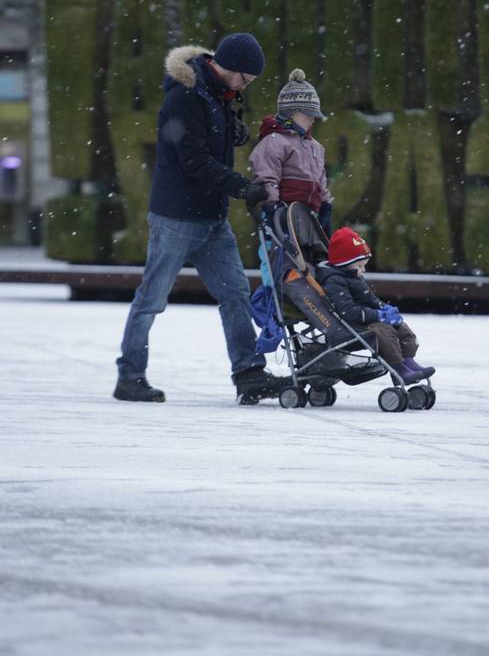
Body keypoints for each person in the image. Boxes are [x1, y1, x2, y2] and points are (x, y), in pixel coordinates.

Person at [114, 33, 291, 404]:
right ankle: (130, 376)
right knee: (152, 299)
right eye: (247, 78)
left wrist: (233, 131)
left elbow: (210, 140)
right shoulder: (186, 95)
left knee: (236, 295)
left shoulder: (218, 93)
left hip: (212, 219)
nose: (248, 85)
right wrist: (242, 187)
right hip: (175, 217)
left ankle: (249, 372)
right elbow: (193, 160)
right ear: (229, 67)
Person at [316, 227, 436, 385]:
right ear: (343, 264)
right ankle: (398, 367)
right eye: (360, 266)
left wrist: (384, 308)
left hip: (368, 319)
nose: (363, 270)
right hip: (353, 325)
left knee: (402, 328)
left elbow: (371, 300)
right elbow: (348, 311)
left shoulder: (353, 276)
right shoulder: (334, 281)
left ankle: (408, 361)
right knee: (385, 331)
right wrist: (378, 315)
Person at [249, 68, 333, 236]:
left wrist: (325, 203)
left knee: (307, 259)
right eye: (308, 114)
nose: (312, 119)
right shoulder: (275, 141)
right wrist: (272, 205)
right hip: (282, 215)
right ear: (290, 114)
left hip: (309, 217)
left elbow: (320, 179)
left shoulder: (315, 147)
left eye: (314, 115)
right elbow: (267, 175)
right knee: (280, 258)